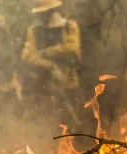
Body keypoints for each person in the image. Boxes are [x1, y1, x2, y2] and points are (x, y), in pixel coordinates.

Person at [21, 0, 82, 130]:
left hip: (68, 82)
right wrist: (51, 65)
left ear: (53, 11)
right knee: (40, 124)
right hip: (41, 84)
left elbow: (71, 48)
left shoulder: (69, 26)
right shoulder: (34, 30)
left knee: (71, 123)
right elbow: (27, 55)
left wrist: (45, 53)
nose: (42, 16)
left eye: (45, 12)